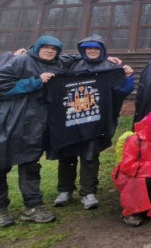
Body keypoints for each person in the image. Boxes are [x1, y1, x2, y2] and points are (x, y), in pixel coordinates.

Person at [0, 36, 65, 227]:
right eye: (45, 47)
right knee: (0, 164)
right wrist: (35, 81)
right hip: (8, 122)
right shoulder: (21, 61)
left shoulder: (57, 64)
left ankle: (33, 206)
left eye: (54, 48)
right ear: (37, 48)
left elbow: (78, 58)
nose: (50, 51)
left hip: (35, 125)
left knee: (30, 163)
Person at [51, 35, 135, 211]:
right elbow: (54, 61)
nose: (92, 51)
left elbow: (122, 90)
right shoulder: (72, 65)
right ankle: (65, 189)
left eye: (96, 49)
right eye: (88, 48)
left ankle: (88, 192)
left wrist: (127, 77)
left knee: (90, 155)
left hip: (95, 120)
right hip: (71, 118)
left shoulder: (110, 67)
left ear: (102, 50)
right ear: (82, 50)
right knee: (67, 155)